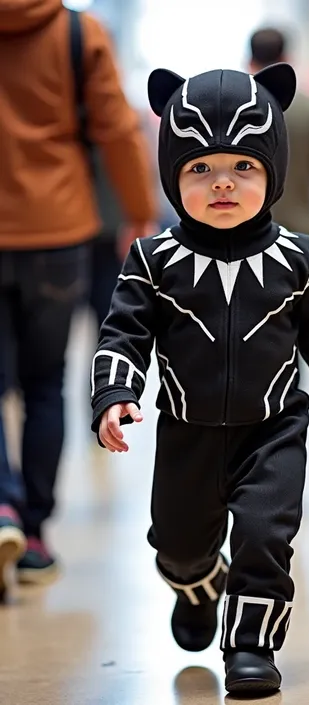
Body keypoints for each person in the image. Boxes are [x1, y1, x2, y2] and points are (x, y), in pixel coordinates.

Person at [91, 63, 309, 694]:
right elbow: (123, 334)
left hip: (274, 429)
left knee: (265, 536)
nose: (222, 185)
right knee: (176, 543)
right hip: (186, 431)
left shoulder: (298, 259)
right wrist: (116, 396)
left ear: (273, 171)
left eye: (244, 167)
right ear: (174, 175)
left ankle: (252, 650)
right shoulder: (153, 260)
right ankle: (198, 585)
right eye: (200, 168)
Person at [0, 0, 156, 598]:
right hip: (59, 230)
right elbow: (116, 126)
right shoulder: (75, 30)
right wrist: (139, 210)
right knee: (45, 384)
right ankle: (34, 535)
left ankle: (3, 511)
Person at [248, 27, 309, 239]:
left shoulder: (233, 111)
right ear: (286, 59)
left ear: (249, 61)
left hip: (248, 231)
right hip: (301, 230)